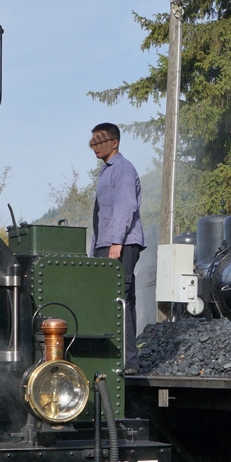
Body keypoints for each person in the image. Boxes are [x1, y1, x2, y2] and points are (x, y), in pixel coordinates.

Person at [89, 122, 143, 366]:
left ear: (114, 142)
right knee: (110, 299)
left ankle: (127, 362)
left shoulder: (123, 169)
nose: (95, 147)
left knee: (119, 299)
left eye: (99, 142)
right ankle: (117, 359)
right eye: (93, 143)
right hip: (106, 243)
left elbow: (125, 206)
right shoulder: (106, 172)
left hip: (120, 244)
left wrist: (115, 243)